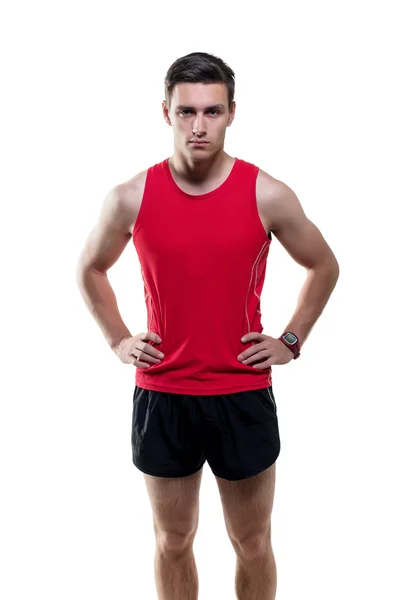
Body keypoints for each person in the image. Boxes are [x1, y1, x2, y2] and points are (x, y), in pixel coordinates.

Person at [76, 51, 340, 600]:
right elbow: (90, 269)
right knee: (173, 539)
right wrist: (119, 340)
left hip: (240, 390)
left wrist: (291, 340)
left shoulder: (266, 193)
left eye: (212, 111)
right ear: (166, 112)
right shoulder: (131, 196)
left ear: (232, 113)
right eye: (187, 111)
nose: (199, 126)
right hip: (163, 391)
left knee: (252, 542)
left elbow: (324, 264)